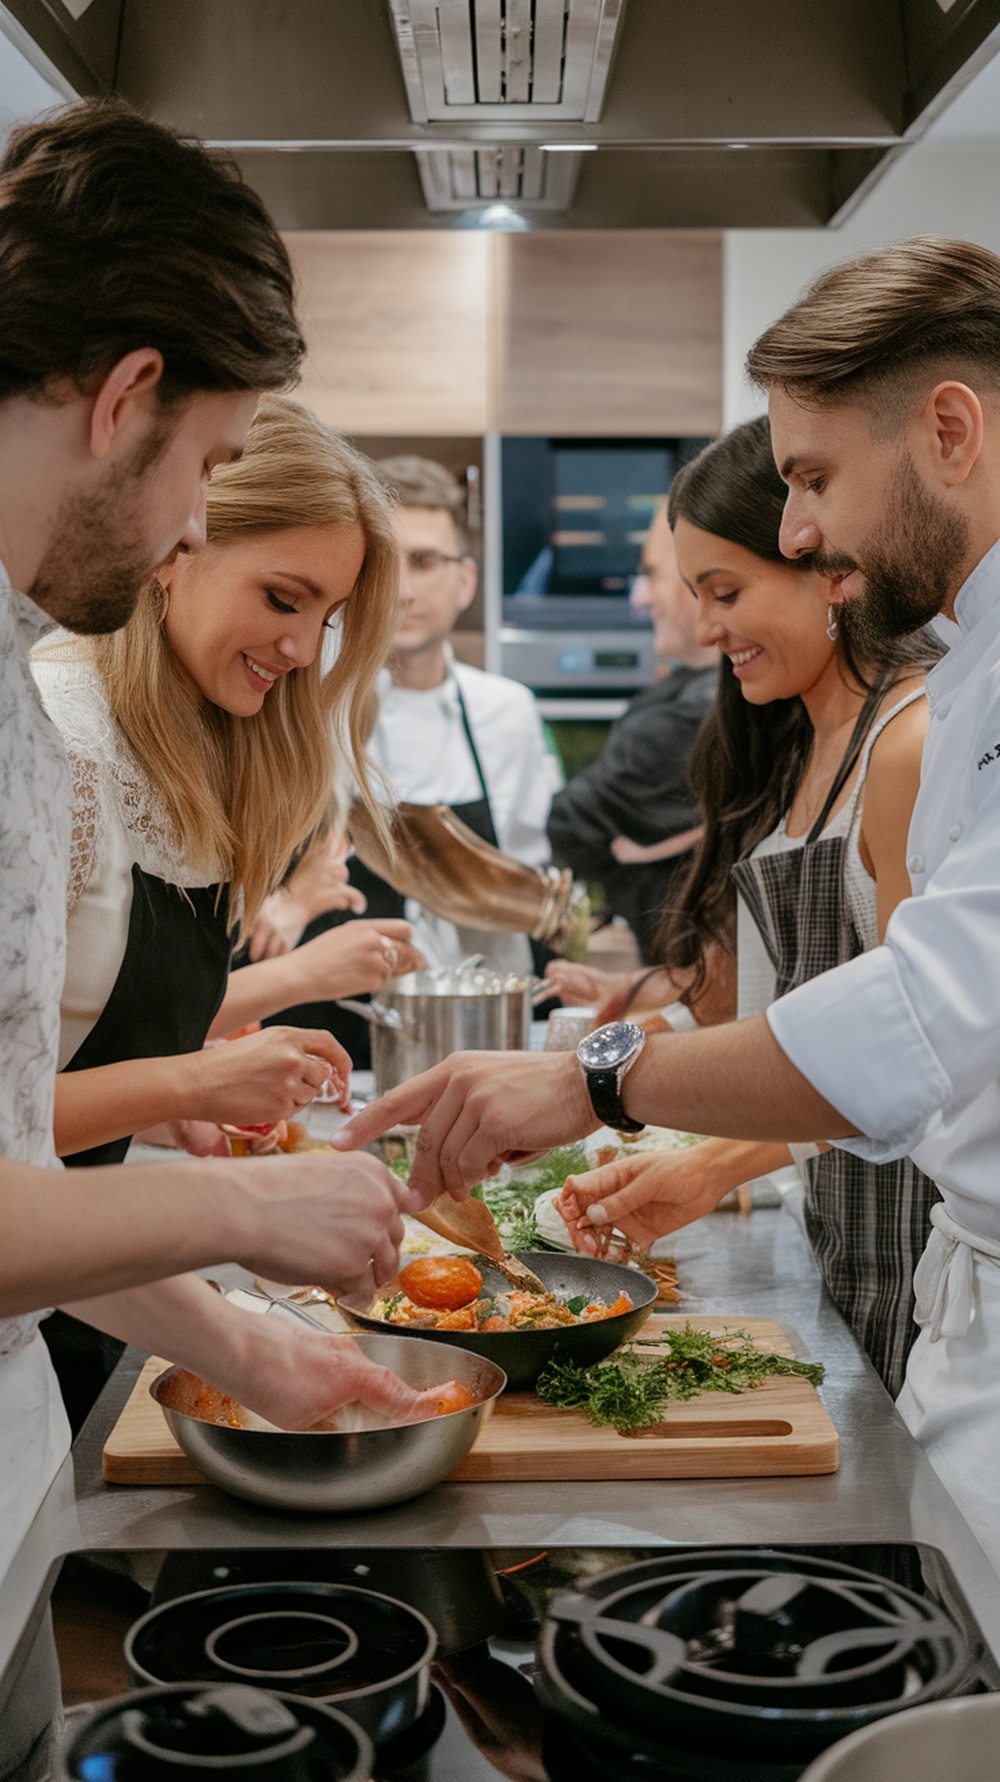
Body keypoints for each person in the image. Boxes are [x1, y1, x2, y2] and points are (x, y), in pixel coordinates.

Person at [334, 234, 1000, 1577]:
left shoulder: (941, 705)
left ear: (949, 429)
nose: (803, 527)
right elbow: (923, 1063)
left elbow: (936, 1018)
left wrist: (601, 1080)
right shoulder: (982, 660)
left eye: (811, 478)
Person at [0, 99, 422, 1778]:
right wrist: (254, 1198)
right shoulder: (47, 712)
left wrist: (249, 1344)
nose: (190, 523)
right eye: (199, 459)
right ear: (124, 397)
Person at [31, 395, 427, 1428]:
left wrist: (249, 1345)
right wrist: (193, 1090)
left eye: (326, 620)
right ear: (181, 546)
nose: (303, 648)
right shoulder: (58, 750)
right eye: (282, 597)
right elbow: (16, 1127)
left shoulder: (194, 766)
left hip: (84, 1293)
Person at [562, 417, 940, 1395]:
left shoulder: (906, 747)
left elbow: (917, 1055)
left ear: (826, 570)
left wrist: (713, 1162)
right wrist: (628, 1027)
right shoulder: (790, 744)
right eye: (695, 596)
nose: (701, 629)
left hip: (920, 1250)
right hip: (842, 1233)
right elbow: (758, 1003)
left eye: (725, 592)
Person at [546, 501, 718, 963]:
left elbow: (568, 823)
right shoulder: (679, 695)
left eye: (652, 574)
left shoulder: (695, 714)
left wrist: (632, 862)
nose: (638, 598)